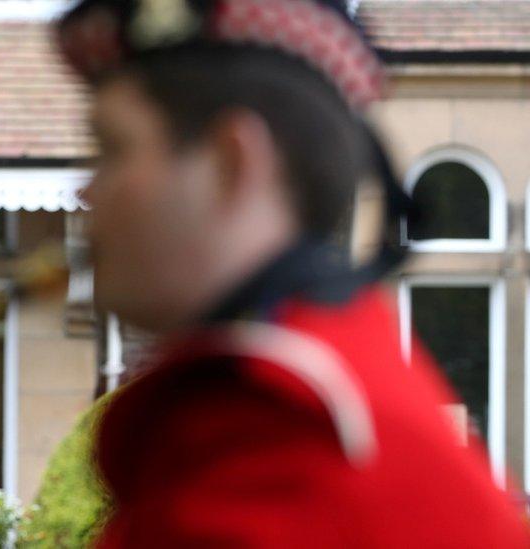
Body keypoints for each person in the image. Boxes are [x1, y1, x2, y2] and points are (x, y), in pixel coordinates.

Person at [55, 0, 529, 546]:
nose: (85, 192)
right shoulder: (316, 388)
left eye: (112, 149)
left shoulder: (289, 445)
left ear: (233, 162)